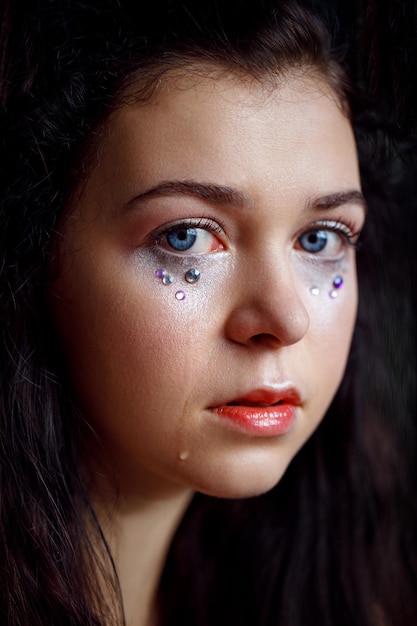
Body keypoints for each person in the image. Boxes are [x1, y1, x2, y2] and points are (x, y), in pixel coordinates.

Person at [0, 1, 416, 625]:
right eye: (188, 237)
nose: (284, 318)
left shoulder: (350, 596)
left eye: (320, 239)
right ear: (38, 255)